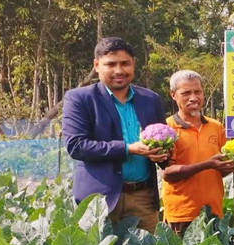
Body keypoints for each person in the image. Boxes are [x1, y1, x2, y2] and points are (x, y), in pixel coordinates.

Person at [62, 37, 168, 233]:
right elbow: (76, 146)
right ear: (96, 65)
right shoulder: (80, 98)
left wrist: (162, 154)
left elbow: (164, 145)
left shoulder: (150, 99)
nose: (119, 70)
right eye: (111, 64)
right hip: (99, 200)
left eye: (125, 63)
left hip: (142, 197)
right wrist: (128, 148)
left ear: (133, 64)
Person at [161, 70, 234, 236]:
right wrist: (207, 164)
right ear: (173, 95)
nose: (193, 97)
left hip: (213, 211)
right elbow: (168, 173)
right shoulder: (167, 129)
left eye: (197, 92)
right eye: (186, 93)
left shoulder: (216, 126)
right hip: (182, 214)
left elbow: (220, 169)